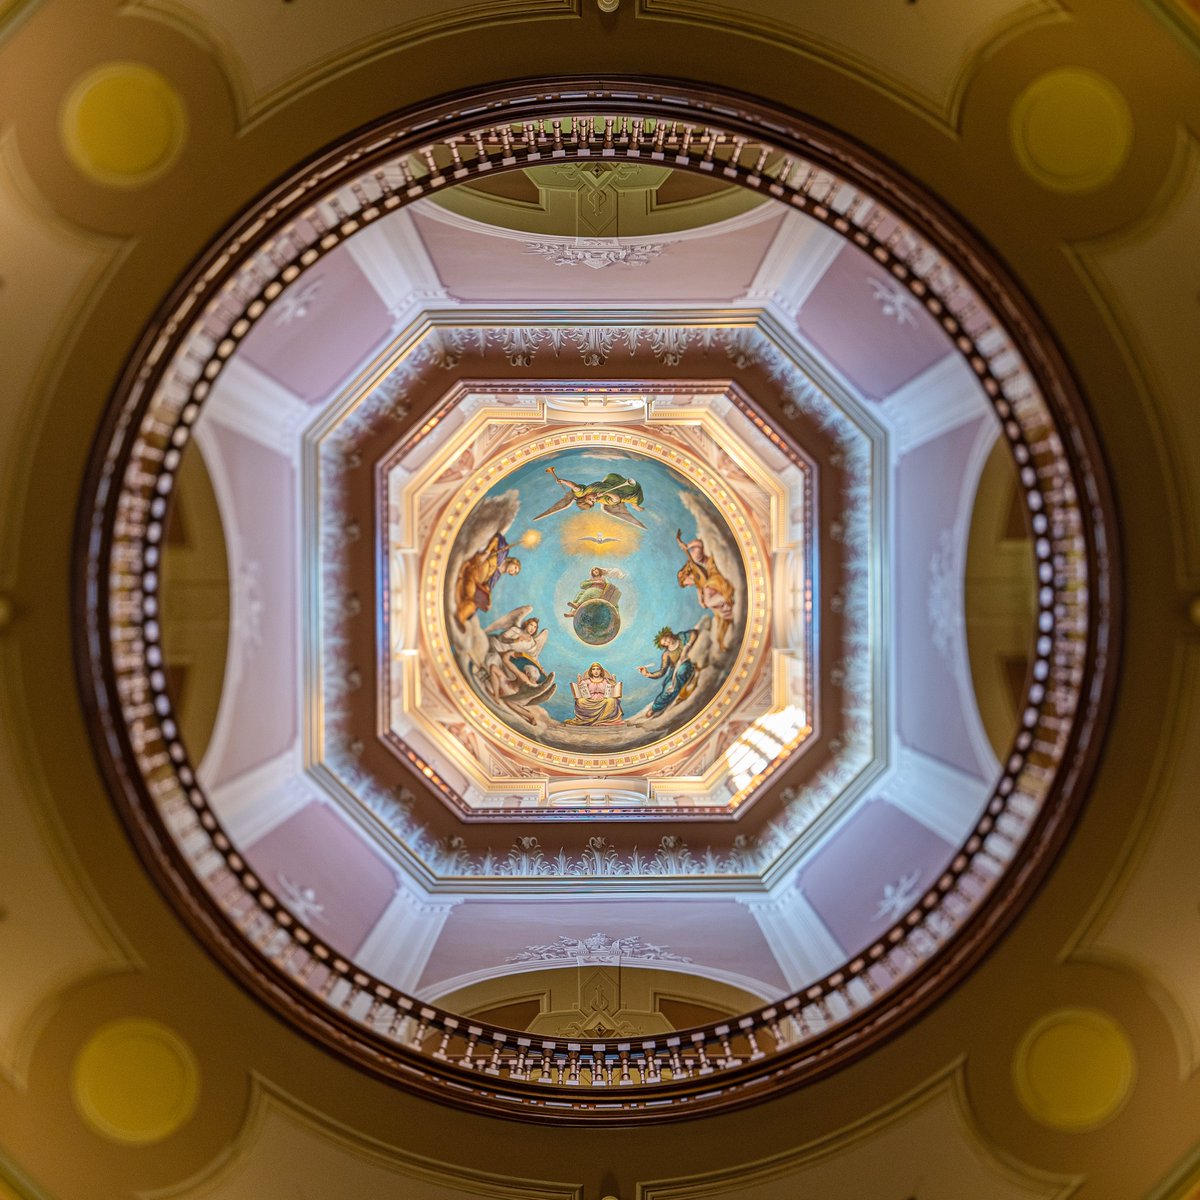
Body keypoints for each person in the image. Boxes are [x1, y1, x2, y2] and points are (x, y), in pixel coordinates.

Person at [675, 530, 735, 650]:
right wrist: (700, 601)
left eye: (686, 584)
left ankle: (726, 600)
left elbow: (699, 544)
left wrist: (688, 546)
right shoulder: (699, 580)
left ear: (685, 575)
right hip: (709, 581)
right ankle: (726, 611)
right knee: (712, 605)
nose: (689, 585)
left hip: (713, 572)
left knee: (708, 597)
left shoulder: (694, 561)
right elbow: (699, 586)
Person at [533, 466, 647, 529]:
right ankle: (635, 505)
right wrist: (607, 494)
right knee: (635, 495)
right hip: (624, 491)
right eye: (593, 502)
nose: (594, 500)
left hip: (613, 482)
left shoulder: (583, 492)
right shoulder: (601, 499)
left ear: (585, 497)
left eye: (590, 500)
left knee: (612, 476)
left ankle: (635, 504)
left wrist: (563, 480)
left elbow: (575, 487)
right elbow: (617, 499)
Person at [453, 531, 520, 628]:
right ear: (514, 561)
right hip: (473, 570)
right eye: (515, 568)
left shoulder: (497, 576)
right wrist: (487, 551)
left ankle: (459, 619)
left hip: (475, 581)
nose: (513, 571)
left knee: (472, 604)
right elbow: (497, 538)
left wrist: (487, 601)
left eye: (514, 573)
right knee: (470, 596)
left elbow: (487, 588)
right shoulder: (503, 552)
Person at [638, 626, 700, 716]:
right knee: (667, 688)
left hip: (687, 665)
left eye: (666, 639)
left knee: (681, 670)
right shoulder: (666, 654)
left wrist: (687, 646)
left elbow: (694, 633)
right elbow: (662, 671)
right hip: (674, 671)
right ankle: (655, 708)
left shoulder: (681, 637)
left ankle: (680, 692)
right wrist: (648, 674)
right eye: (665, 643)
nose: (668, 642)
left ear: (669, 635)